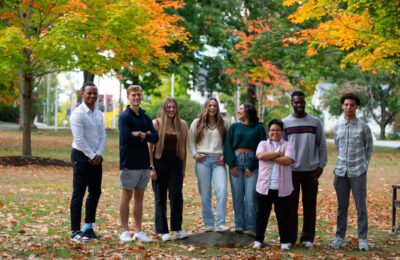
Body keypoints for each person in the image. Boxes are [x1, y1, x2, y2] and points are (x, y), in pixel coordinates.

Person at [282, 90, 327, 247]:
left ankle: (307, 238)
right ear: (291, 103)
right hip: (291, 171)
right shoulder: (285, 123)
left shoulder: (315, 122)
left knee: (310, 206)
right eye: (296, 102)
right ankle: (290, 239)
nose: (299, 104)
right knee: (290, 207)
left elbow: (322, 145)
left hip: (311, 171)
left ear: (305, 102)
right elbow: (282, 147)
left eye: (302, 102)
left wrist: (321, 165)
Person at [329, 93, 373, 251]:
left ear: (356, 107)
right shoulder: (337, 126)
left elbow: (369, 149)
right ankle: (339, 238)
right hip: (340, 172)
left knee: (361, 207)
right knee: (342, 207)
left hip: (358, 172)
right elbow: (337, 147)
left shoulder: (364, 127)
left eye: (352, 105)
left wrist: (364, 166)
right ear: (342, 106)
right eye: (346, 104)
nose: (349, 107)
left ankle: (362, 239)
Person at [118, 85, 158, 242]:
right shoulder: (124, 116)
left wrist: (139, 134)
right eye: (133, 95)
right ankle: (125, 231)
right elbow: (126, 137)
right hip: (129, 163)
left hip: (143, 163)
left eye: (139, 95)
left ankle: (138, 231)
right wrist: (144, 135)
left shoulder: (146, 118)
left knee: (139, 198)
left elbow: (155, 137)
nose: (136, 97)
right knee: (126, 196)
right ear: (128, 97)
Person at [69, 82, 106, 242]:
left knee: (95, 191)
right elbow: (79, 139)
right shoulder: (77, 114)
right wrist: (91, 155)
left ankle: (87, 227)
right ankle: (75, 231)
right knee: (79, 193)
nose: (92, 96)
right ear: (82, 93)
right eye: (89, 93)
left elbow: (103, 136)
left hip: (96, 158)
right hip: (81, 157)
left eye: (94, 93)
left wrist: (98, 155)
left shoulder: (98, 113)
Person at [148, 97, 188, 241]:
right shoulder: (156, 123)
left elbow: (183, 148)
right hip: (159, 162)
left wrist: (183, 169)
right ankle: (162, 231)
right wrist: (151, 167)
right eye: (168, 107)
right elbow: (149, 147)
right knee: (160, 197)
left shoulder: (182, 125)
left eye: (174, 107)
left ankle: (177, 228)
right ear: (164, 108)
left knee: (177, 196)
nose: (171, 110)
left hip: (175, 164)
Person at [188, 97, 231, 232]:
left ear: (217, 108)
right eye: (210, 105)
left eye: (215, 106)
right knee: (205, 193)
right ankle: (208, 224)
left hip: (219, 161)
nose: (212, 108)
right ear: (205, 107)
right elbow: (191, 142)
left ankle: (220, 223)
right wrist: (195, 155)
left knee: (222, 190)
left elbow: (229, 143)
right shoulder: (197, 123)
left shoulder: (225, 123)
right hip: (203, 161)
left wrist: (225, 156)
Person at [224, 103, 266, 236]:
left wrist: (252, 165)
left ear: (248, 111)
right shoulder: (234, 127)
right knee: (237, 195)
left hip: (252, 163)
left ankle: (252, 226)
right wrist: (231, 164)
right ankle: (239, 225)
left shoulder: (259, 128)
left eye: (241, 109)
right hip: (236, 162)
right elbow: (227, 146)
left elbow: (262, 147)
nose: (238, 111)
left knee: (251, 196)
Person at [253, 119, 295, 250]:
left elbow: (288, 160)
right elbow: (260, 155)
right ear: (268, 132)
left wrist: (269, 157)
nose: (274, 132)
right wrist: (277, 154)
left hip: (282, 187)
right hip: (264, 187)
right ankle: (258, 240)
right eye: (271, 130)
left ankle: (284, 242)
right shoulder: (263, 143)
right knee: (262, 215)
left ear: (282, 132)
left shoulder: (288, 145)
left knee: (283, 216)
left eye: (277, 130)